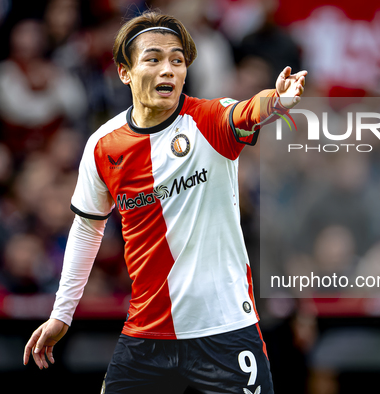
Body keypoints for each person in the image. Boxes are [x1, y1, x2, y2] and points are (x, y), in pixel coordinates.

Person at [22, 10, 306, 394]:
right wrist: (62, 313)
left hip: (224, 330)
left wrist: (277, 99)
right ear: (125, 72)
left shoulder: (208, 120)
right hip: (147, 335)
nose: (168, 69)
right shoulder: (104, 146)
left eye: (177, 60)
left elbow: (247, 111)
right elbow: (87, 228)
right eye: (153, 59)